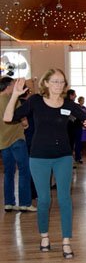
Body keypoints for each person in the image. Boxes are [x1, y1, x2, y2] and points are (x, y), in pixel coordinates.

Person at [3, 71, 86, 259]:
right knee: (44, 200)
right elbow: (8, 117)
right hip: (39, 157)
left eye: (61, 82)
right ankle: (44, 236)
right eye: (54, 81)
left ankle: (66, 241)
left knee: (65, 199)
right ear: (45, 82)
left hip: (63, 156)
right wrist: (15, 95)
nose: (58, 85)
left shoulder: (69, 105)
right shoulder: (35, 101)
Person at [0, 77, 34, 212]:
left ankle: (9, 203)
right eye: (14, 84)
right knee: (24, 170)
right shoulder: (13, 101)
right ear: (8, 86)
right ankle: (25, 203)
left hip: (3, 141)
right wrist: (25, 124)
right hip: (17, 140)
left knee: (8, 172)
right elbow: (25, 122)